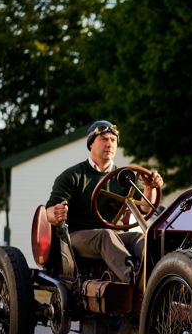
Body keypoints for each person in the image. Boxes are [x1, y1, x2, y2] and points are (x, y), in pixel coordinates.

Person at [45, 120, 163, 284]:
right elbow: (49, 212)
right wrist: (55, 212)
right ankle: (134, 280)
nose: (109, 144)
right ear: (91, 144)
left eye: (113, 140)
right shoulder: (73, 176)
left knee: (140, 238)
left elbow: (144, 207)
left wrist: (150, 188)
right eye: (104, 139)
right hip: (78, 237)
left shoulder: (126, 177)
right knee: (105, 235)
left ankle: (161, 275)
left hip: (116, 236)